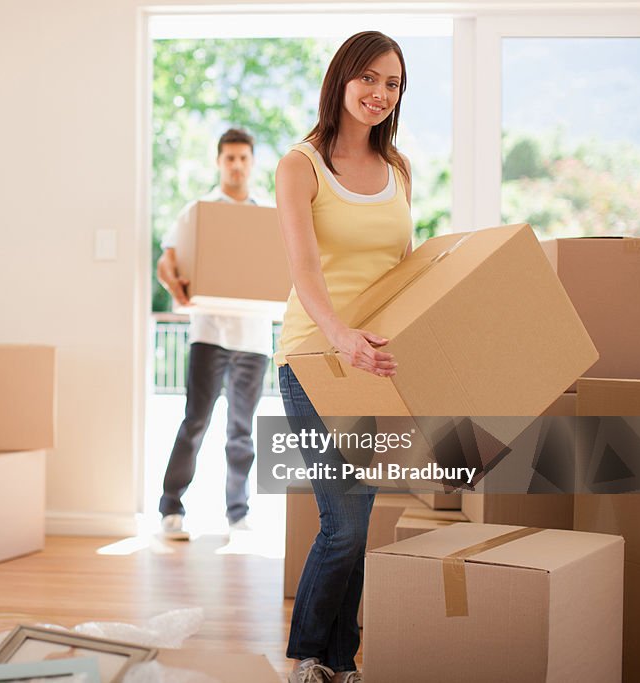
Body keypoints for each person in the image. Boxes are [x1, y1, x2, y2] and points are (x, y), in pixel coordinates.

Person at [274, 32, 413, 683]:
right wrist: (339, 334)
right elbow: (306, 272)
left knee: (358, 516)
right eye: (368, 78)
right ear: (341, 80)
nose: (379, 93)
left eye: (392, 83)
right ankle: (305, 654)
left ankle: (341, 659)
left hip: (368, 363)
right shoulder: (301, 165)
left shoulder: (399, 170)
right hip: (310, 355)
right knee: (343, 522)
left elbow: (400, 272)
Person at [156, 128, 273, 540]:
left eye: (243, 158)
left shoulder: (269, 213)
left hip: (255, 339)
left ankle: (237, 514)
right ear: (219, 162)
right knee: (195, 423)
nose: (237, 165)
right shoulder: (199, 210)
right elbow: (166, 261)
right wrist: (176, 288)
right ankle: (171, 509)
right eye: (229, 159)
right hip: (209, 333)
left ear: (252, 162)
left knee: (242, 430)